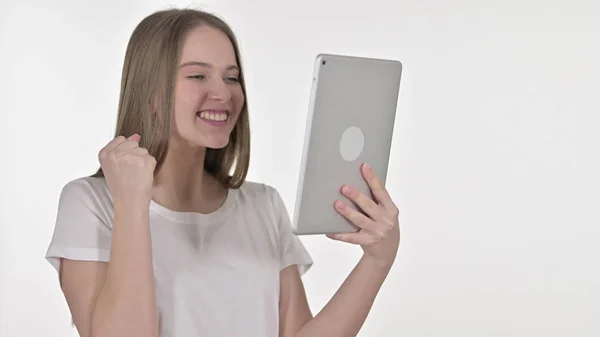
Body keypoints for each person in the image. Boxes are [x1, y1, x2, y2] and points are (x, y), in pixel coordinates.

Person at [45, 7, 401, 337]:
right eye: (198, 75)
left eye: (232, 78)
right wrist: (132, 205)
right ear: (151, 92)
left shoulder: (262, 206)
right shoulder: (91, 204)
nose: (224, 93)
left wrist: (377, 261)